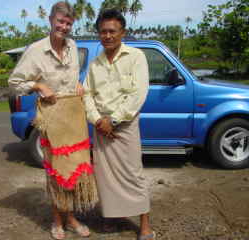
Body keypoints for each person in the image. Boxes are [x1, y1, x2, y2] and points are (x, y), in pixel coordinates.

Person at [8, 2, 97, 239]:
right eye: (60, 21)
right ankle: (58, 220)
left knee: (75, 170)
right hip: (51, 121)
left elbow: (72, 79)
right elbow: (14, 83)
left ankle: (70, 217)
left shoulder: (73, 46)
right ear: (50, 20)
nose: (64, 27)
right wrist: (38, 85)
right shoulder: (36, 50)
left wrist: (78, 85)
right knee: (57, 173)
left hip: (73, 121)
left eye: (68, 23)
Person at [83, 9, 155, 240]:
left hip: (125, 125)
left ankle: (144, 223)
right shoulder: (95, 65)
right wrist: (97, 120)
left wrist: (113, 120)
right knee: (106, 178)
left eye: (112, 31)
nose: (108, 35)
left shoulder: (136, 57)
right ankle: (111, 217)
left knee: (134, 174)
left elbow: (139, 93)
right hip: (101, 128)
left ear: (122, 32)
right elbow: (86, 95)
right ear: (99, 34)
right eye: (103, 31)